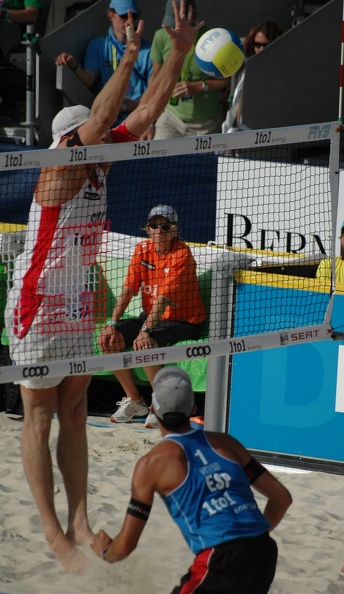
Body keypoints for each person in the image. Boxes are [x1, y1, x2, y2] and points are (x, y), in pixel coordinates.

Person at [4, 2, 204, 574]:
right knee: (39, 413)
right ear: (71, 139)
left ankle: (80, 520)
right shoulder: (60, 166)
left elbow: (146, 109)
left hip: (75, 303)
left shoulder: (100, 162)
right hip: (39, 302)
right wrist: (133, 54)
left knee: (73, 410)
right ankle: (51, 529)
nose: (106, 140)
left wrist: (179, 50)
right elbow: (108, 111)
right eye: (93, 133)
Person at [91, 367, 292, 593]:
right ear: (193, 408)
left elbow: (126, 546)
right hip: (264, 551)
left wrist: (105, 552)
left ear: (154, 410)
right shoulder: (226, 444)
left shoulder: (152, 464)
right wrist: (252, 536)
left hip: (220, 557)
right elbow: (282, 498)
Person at [97, 204, 206, 428]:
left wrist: (145, 331)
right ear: (147, 229)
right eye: (154, 226)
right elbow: (128, 289)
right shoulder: (142, 250)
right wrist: (111, 323)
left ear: (174, 230)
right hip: (151, 315)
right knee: (108, 341)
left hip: (183, 320)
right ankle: (135, 401)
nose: (159, 231)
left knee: (143, 344)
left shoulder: (182, 254)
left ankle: (160, 405)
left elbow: (163, 299)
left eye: (165, 226)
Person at [54, 0, 152, 128]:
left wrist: (126, 106)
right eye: (123, 16)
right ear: (110, 15)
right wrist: (74, 65)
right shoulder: (98, 46)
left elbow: (153, 93)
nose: (129, 22)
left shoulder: (148, 50)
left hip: (138, 118)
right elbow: (88, 79)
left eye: (133, 16)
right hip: (108, 122)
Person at [145, 0, 229, 141]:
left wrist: (199, 86)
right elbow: (154, 79)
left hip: (206, 124)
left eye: (181, 23)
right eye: (173, 23)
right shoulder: (161, 36)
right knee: (159, 161)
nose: (175, 30)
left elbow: (227, 80)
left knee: (205, 163)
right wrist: (147, 122)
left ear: (194, 16)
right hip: (171, 119)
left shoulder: (212, 39)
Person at [222, 20, 283, 134]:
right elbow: (239, 104)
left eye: (266, 45)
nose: (261, 50)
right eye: (257, 45)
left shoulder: (281, 72)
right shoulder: (247, 67)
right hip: (243, 132)